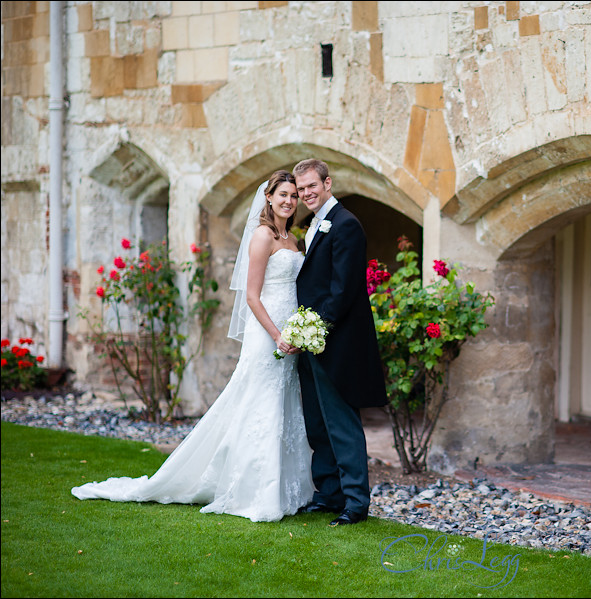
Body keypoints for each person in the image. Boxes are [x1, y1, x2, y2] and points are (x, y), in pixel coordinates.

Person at [72, 170, 315, 522]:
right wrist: (277, 334)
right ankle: (255, 490)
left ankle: (288, 489)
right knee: (259, 405)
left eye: (293, 195)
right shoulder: (263, 236)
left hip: (290, 333)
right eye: (283, 194)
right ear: (269, 197)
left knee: (283, 405)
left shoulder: (292, 238)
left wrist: (296, 330)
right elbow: (251, 295)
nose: (289, 200)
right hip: (268, 335)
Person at [293, 158, 388, 526]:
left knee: (342, 424)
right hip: (310, 341)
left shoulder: (347, 225)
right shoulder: (312, 225)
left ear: (328, 183)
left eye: (311, 186)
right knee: (318, 423)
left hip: (336, 341)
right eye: (301, 190)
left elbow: (344, 289)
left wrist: (315, 329)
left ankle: (355, 503)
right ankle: (329, 494)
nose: (305, 194)